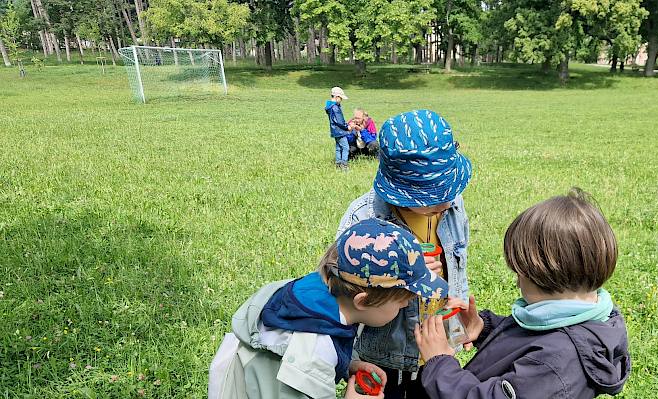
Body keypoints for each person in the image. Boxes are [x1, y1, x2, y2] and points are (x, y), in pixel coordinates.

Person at [415, 188, 631, 399]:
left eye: (520, 273)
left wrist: (440, 362)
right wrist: (483, 328)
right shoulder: (581, 317)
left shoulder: (554, 365)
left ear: (545, 275)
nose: (518, 282)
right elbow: (528, 341)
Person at [208, 219, 450, 399]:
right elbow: (305, 366)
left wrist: (348, 364)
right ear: (363, 301)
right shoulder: (311, 356)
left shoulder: (317, 297)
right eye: (400, 301)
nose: (406, 304)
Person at [336, 110, 473, 399]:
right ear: (401, 195)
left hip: (438, 353)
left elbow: (457, 269)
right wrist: (404, 270)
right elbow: (341, 289)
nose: (447, 201)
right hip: (385, 357)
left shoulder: (452, 206)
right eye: (434, 197)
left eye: (450, 190)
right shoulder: (365, 219)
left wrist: (457, 327)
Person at [325, 86, 351, 170]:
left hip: (334, 131)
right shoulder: (335, 107)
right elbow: (339, 121)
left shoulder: (330, 106)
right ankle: (344, 165)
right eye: (341, 98)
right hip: (340, 131)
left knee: (338, 147)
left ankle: (338, 163)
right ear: (336, 97)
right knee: (345, 147)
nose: (341, 100)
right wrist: (347, 127)